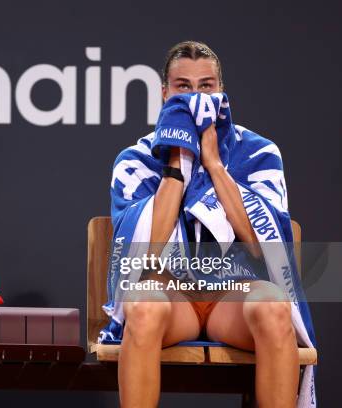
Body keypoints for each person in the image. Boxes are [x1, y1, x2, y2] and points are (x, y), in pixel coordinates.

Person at [113, 41, 300, 408]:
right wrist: (178, 164)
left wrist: (214, 164)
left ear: (221, 93)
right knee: (143, 305)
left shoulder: (260, 153)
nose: (194, 97)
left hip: (234, 294)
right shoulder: (135, 160)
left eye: (206, 87)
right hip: (173, 296)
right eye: (183, 87)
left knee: (275, 307)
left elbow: (261, 248)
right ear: (164, 93)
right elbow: (144, 254)